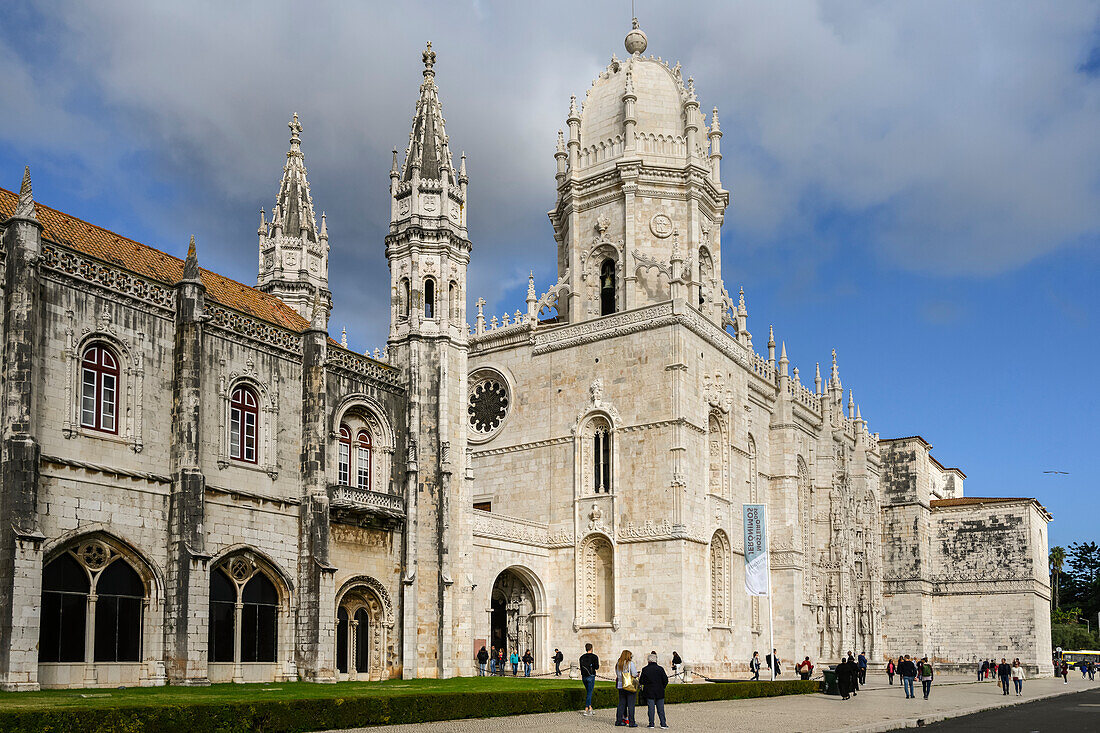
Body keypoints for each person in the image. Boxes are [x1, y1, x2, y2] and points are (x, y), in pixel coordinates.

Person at [639, 651, 669, 730]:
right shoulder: (660, 669)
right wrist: (662, 687)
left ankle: (651, 724)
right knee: (661, 709)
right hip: (659, 691)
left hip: (649, 692)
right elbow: (665, 680)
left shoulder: (645, 669)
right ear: (656, 660)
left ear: (648, 661)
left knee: (651, 708)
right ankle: (663, 724)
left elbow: (641, 681)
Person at [615, 649, 638, 728]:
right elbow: (634, 674)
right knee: (631, 705)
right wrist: (637, 674)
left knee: (621, 704)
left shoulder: (618, 663)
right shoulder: (630, 663)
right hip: (629, 685)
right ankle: (631, 722)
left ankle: (618, 721)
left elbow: (617, 674)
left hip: (620, 685)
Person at [580, 643, 600, 717]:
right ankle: (586, 709)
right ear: (591, 648)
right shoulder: (594, 657)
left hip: (584, 677)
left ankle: (590, 707)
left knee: (588, 692)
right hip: (591, 676)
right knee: (589, 692)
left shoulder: (581, 657)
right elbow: (597, 667)